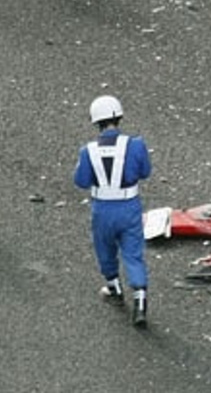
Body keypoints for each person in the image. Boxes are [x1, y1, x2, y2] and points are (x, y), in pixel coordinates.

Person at [74, 95, 152, 327]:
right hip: (129, 206)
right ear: (119, 117)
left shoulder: (88, 151)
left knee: (105, 249)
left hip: (102, 208)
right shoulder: (135, 145)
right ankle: (140, 300)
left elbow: (81, 181)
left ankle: (114, 287)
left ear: (95, 122)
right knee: (133, 253)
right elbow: (145, 172)